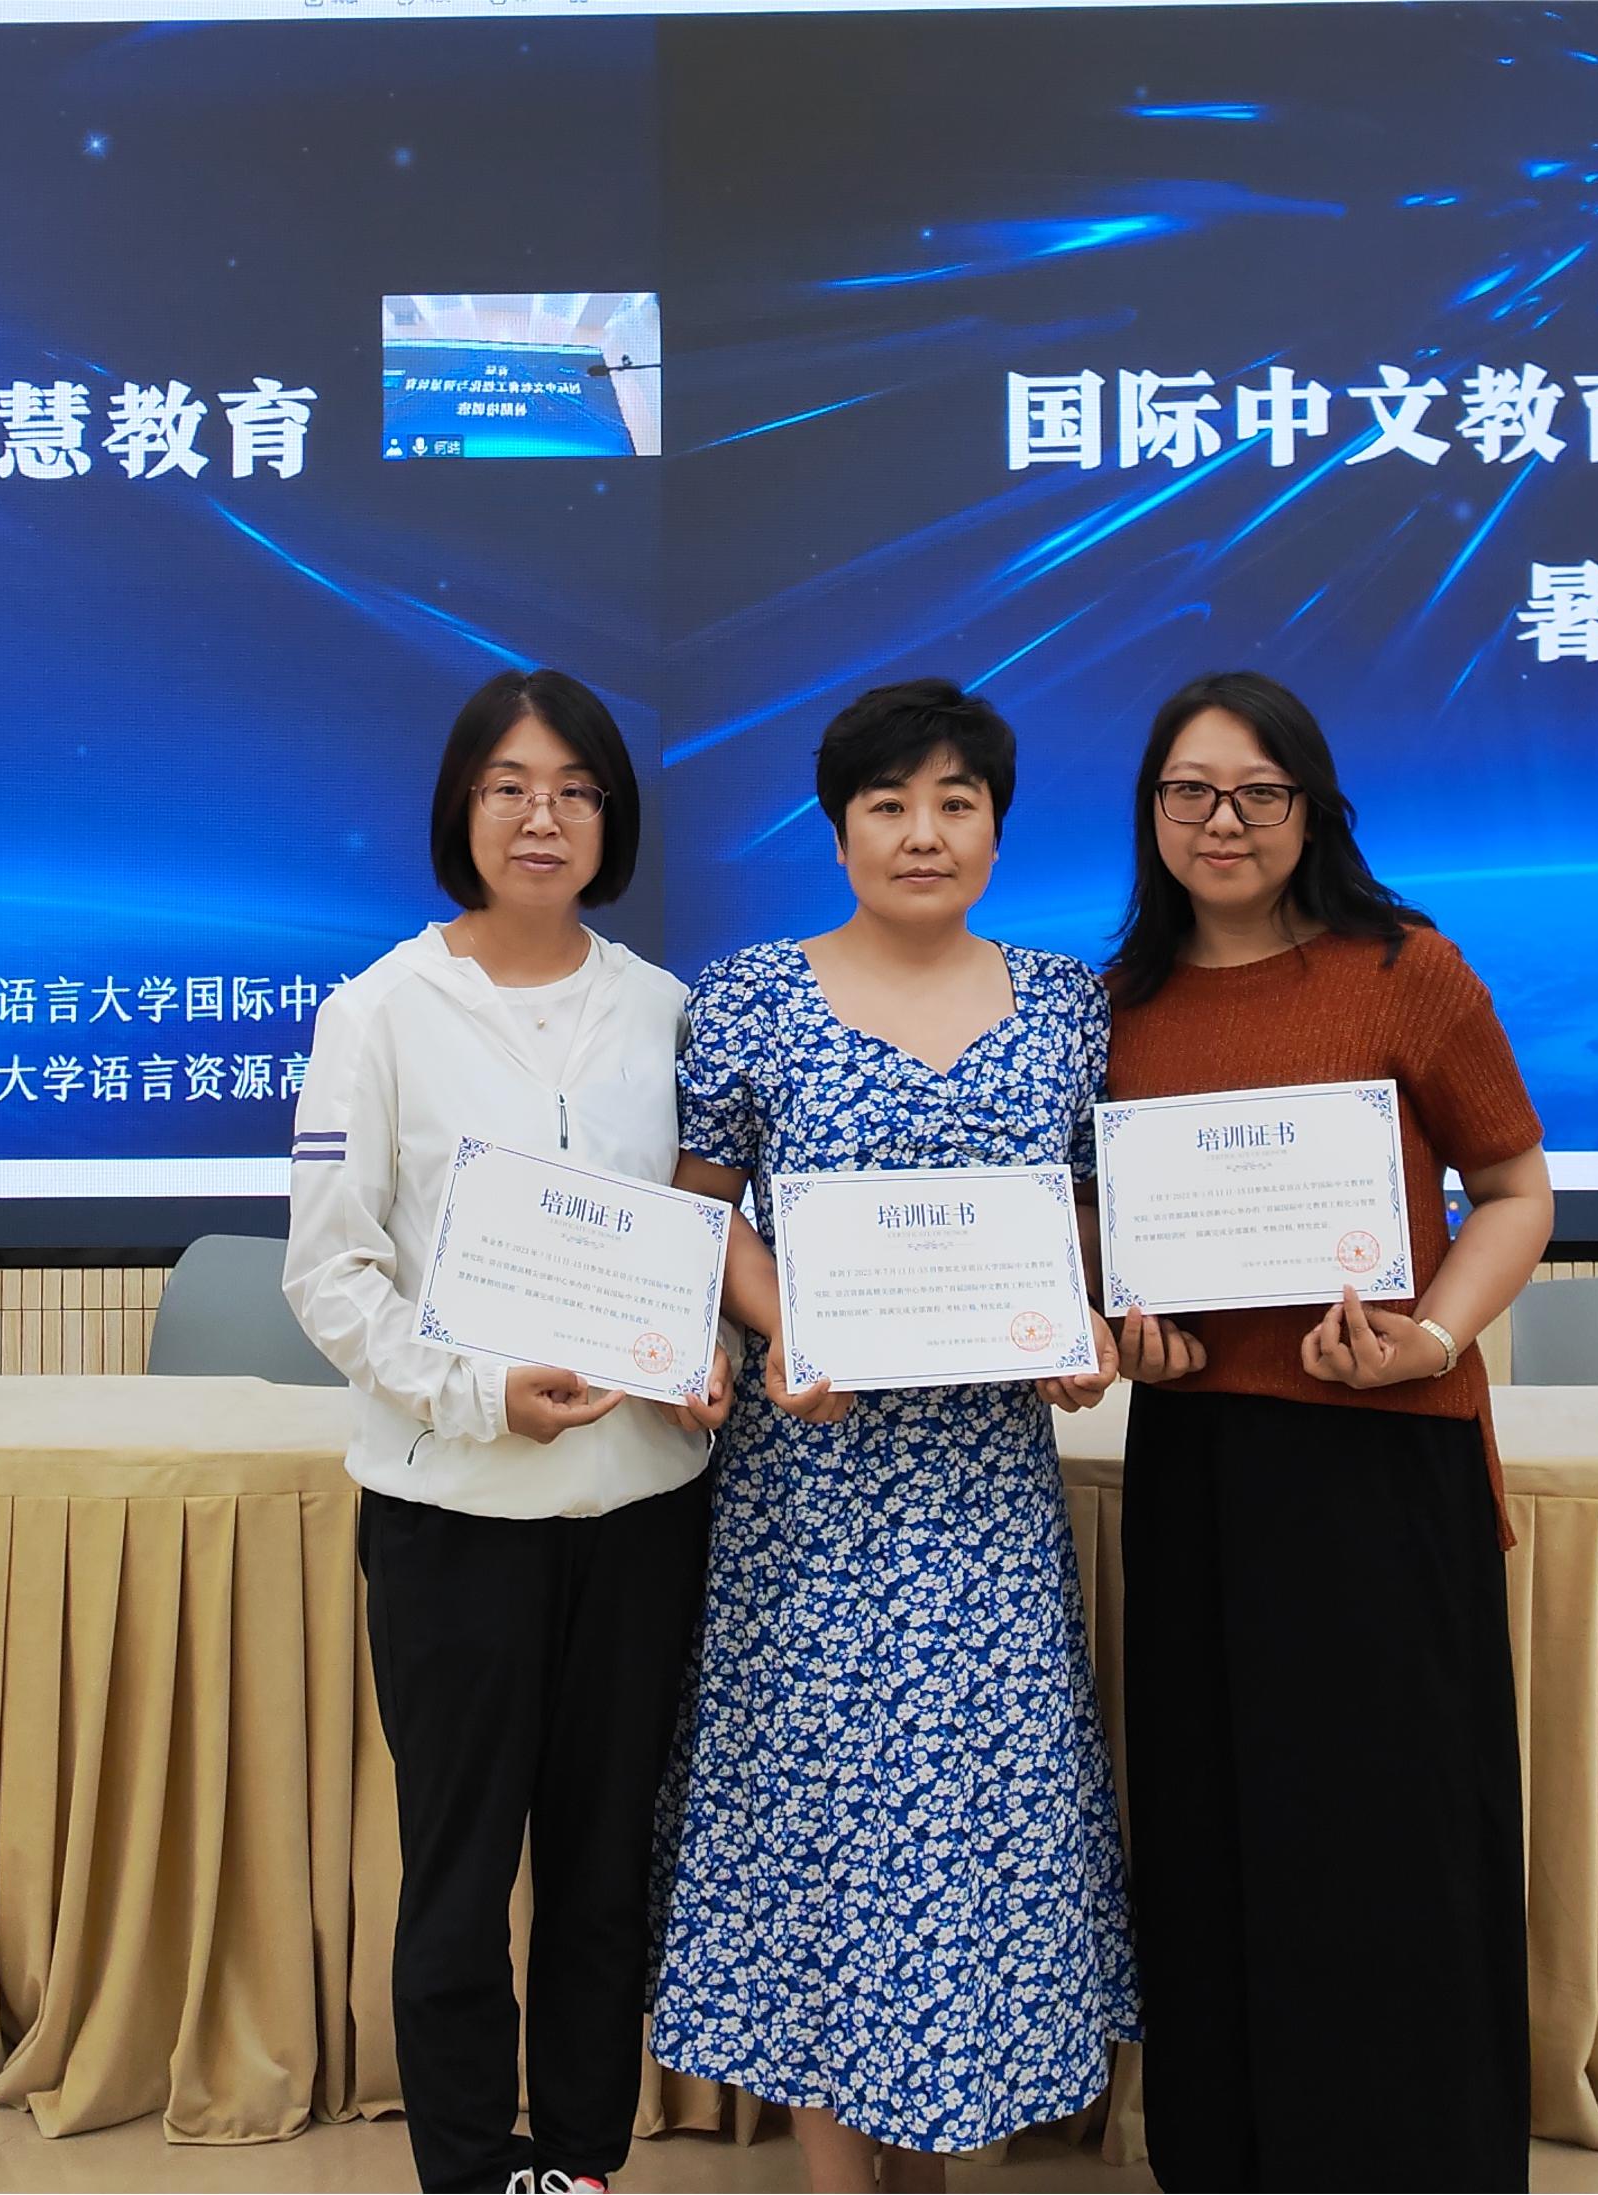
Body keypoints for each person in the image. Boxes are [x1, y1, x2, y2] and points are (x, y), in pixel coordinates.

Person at [650, 679, 1134, 2195]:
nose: (924, 834)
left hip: (986, 1488)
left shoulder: (1067, 1005)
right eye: (889, 806)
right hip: (812, 1482)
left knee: (979, 1817)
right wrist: (785, 1320)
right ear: (839, 829)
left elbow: (1082, 1207)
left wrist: (1079, 1320)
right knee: (825, 1815)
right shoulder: (750, 996)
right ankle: (835, 2175)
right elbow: (700, 1211)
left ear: (996, 828)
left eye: (955, 804)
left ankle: (933, 2152)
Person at [1096, 669, 1556, 2192]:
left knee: (1390, 1834)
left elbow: (1517, 1192)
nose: (1222, 821)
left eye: (1259, 792)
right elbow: (1099, 1237)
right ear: (1153, 813)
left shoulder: (1405, 969)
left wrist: (1433, 1337)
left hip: (1381, 1458)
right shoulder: (1114, 1008)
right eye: (1190, 792)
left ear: (1312, 809)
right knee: (1215, 1825)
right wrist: (1123, 1324)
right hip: (1200, 1466)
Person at [282, 666, 731, 2195]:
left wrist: (711, 1353)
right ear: (460, 811)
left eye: (576, 791)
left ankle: (583, 2165)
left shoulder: (667, 1010)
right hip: (454, 1518)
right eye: (510, 788)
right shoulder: (377, 1013)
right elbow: (329, 1274)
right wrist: (477, 1395)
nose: (544, 818)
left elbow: (703, 1240)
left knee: (605, 1875)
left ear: (613, 820)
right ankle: (473, 2173)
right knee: (461, 1880)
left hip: (644, 1511)